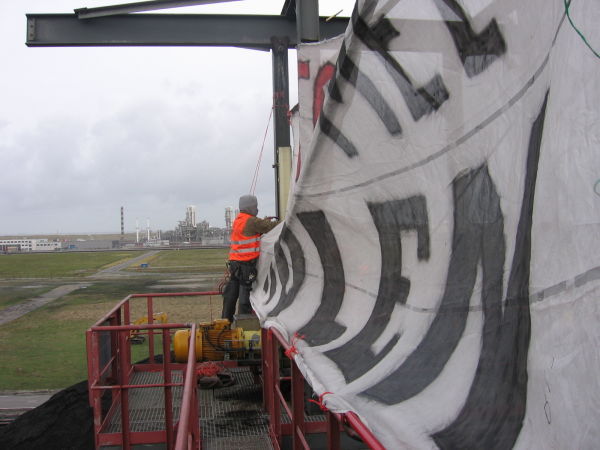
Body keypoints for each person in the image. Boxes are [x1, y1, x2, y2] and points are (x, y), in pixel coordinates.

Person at [221, 194, 279, 322]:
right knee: (244, 298)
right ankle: (244, 326)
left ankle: (225, 322)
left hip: (234, 264)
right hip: (246, 265)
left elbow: (253, 229)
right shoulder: (252, 221)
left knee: (231, 294)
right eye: (256, 207)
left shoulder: (238, 220)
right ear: (251, 207)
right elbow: (272, 227)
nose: (257, 209)